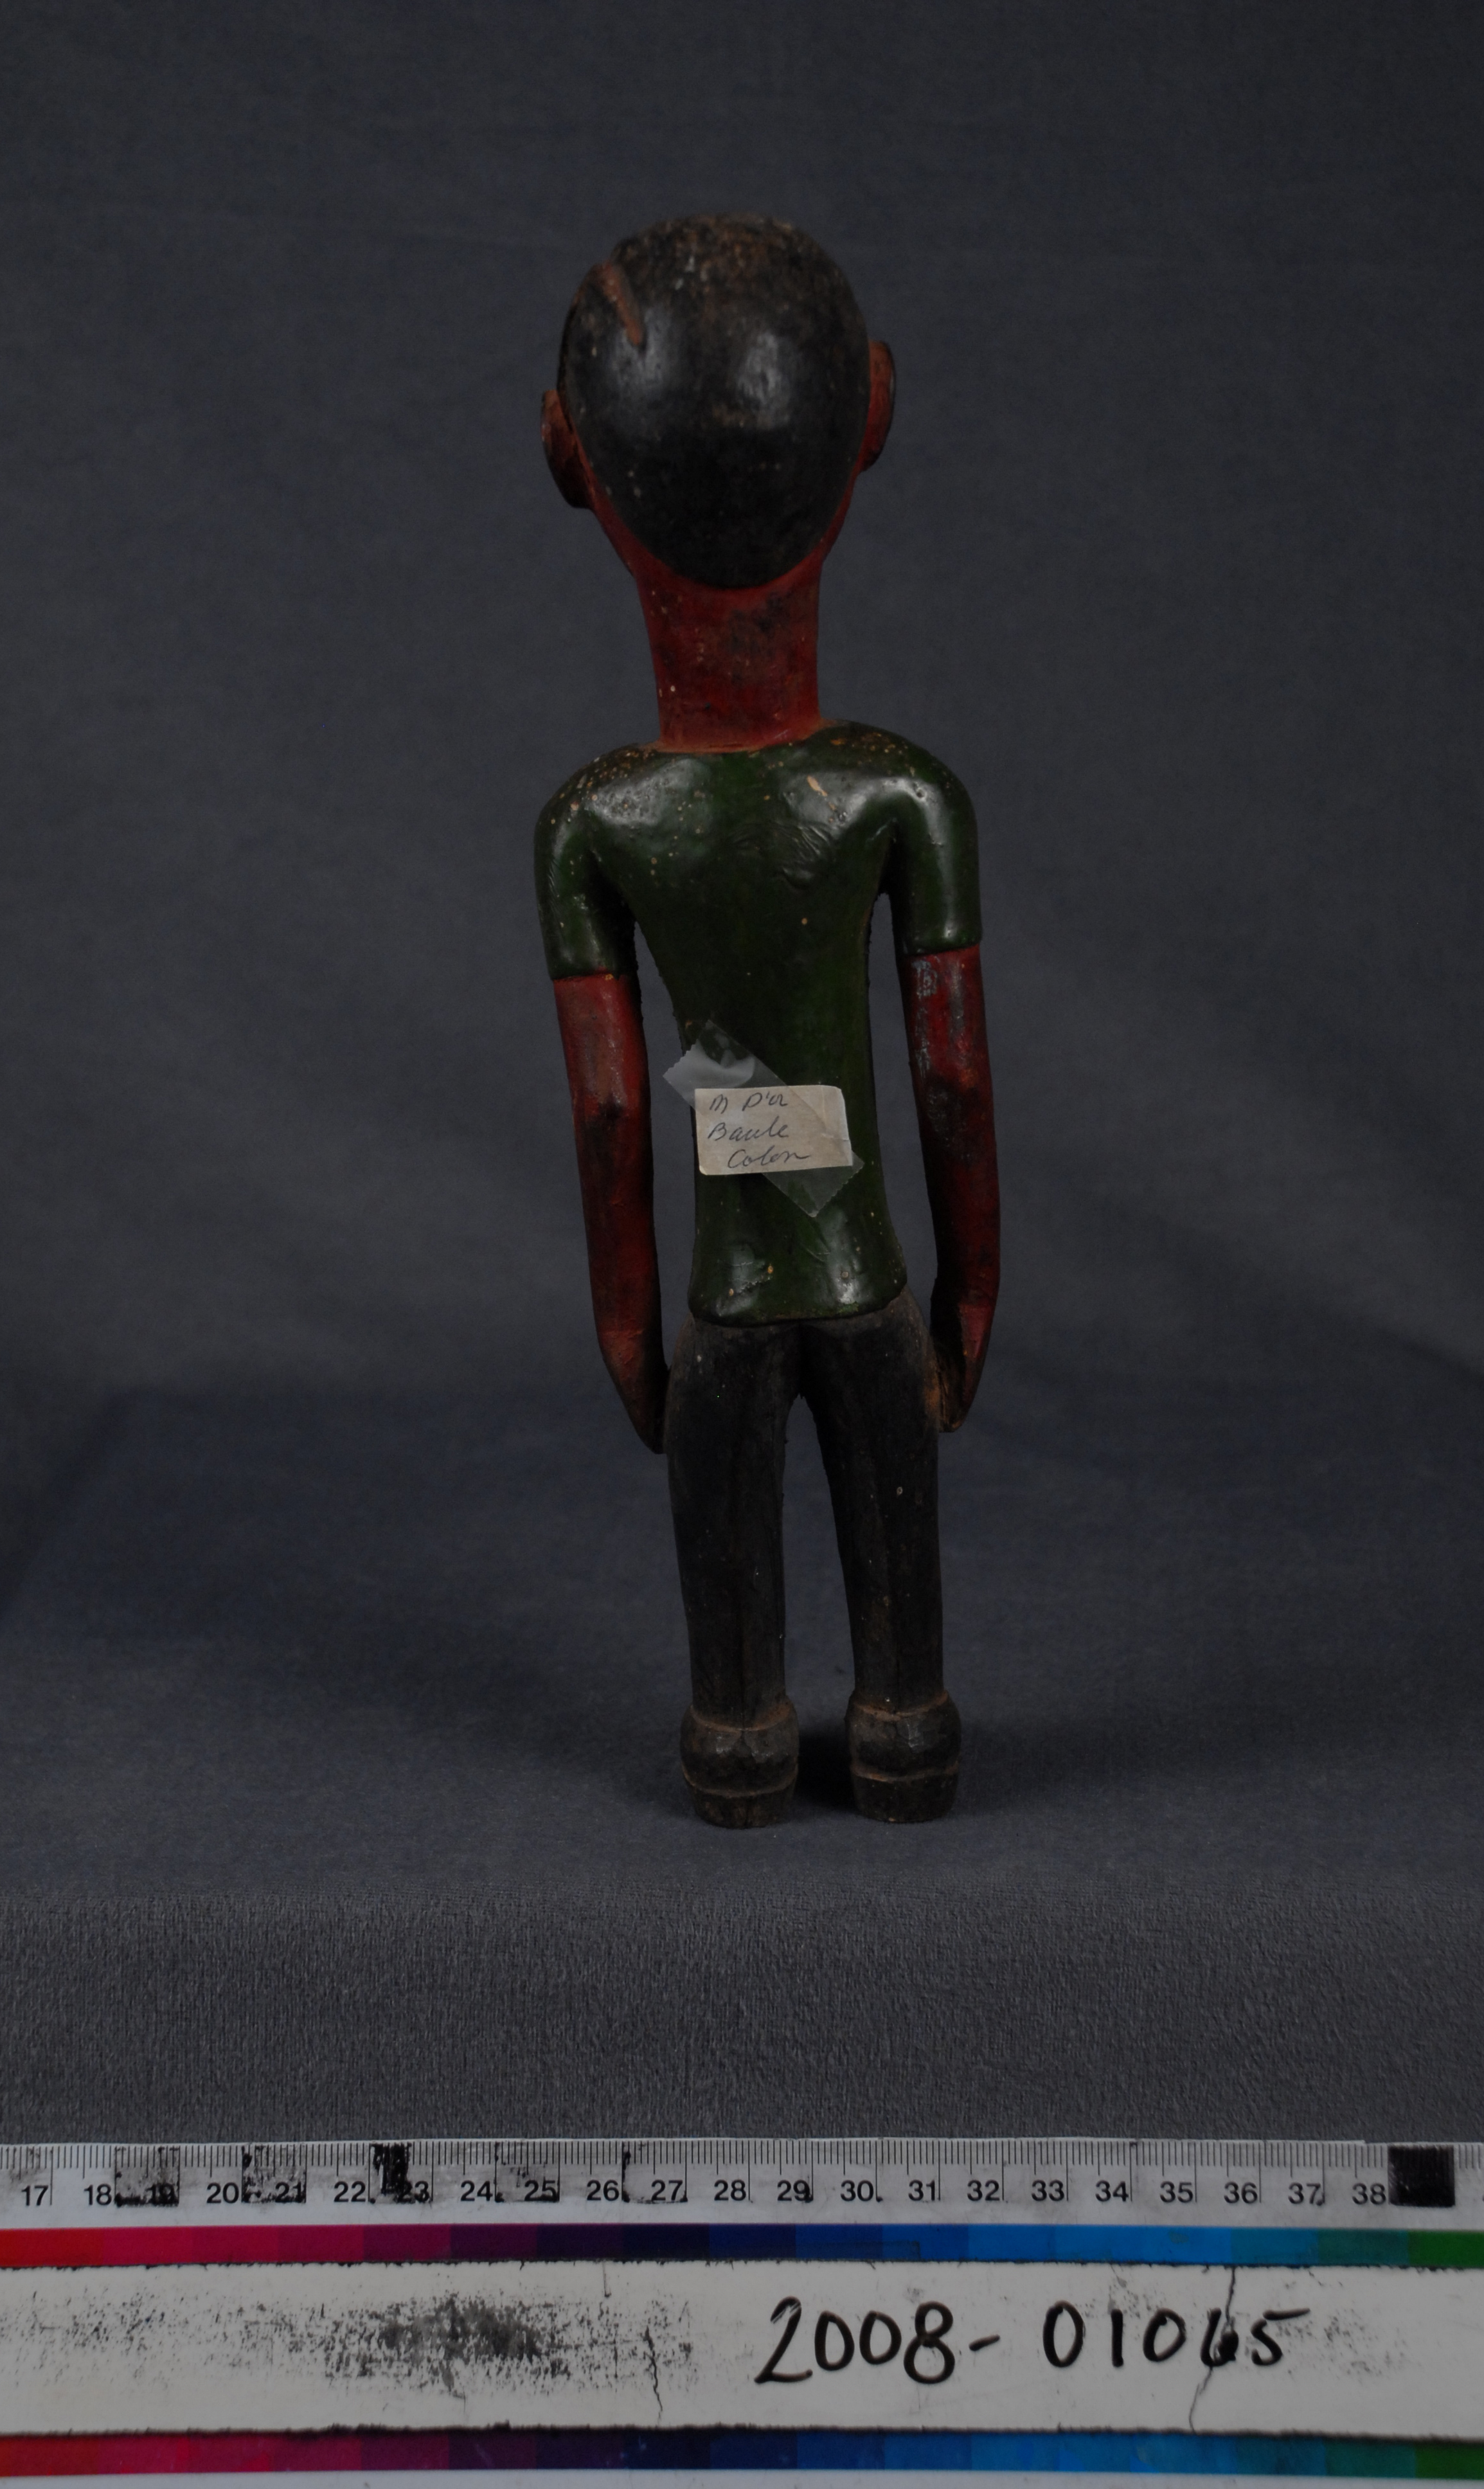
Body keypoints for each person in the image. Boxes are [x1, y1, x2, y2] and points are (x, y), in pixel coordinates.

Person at [535, 213, 999, 1829]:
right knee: (900, 1594)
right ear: (873, 416)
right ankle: (905, 1732)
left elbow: (611, 1108)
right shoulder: (902, 794)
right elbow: (952, 1075)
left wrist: (625, 1322)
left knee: (725, 1611)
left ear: (572, 461)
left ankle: (736, 1741)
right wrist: (975, 1283)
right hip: (867, 1281)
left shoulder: (597, 823)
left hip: (726, 1296)